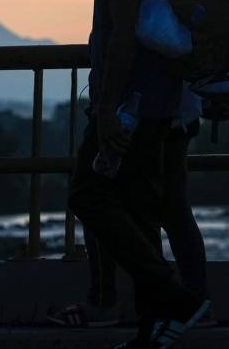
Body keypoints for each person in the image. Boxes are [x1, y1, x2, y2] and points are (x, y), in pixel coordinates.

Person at [28, 0, 210, 349]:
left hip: (133, 102)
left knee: (89, 194)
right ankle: (157, 338)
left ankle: (175, 298)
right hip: (147, 99)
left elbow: (121, 30)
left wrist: (106, 108)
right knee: (138, 210)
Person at [49, 83, 213, 329]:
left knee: (96, 198)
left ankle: (108, 302)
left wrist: (104, 109)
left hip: (131, 110)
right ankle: (188, 304)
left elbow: (122, 48)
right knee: (169, 208)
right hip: (176, 110)